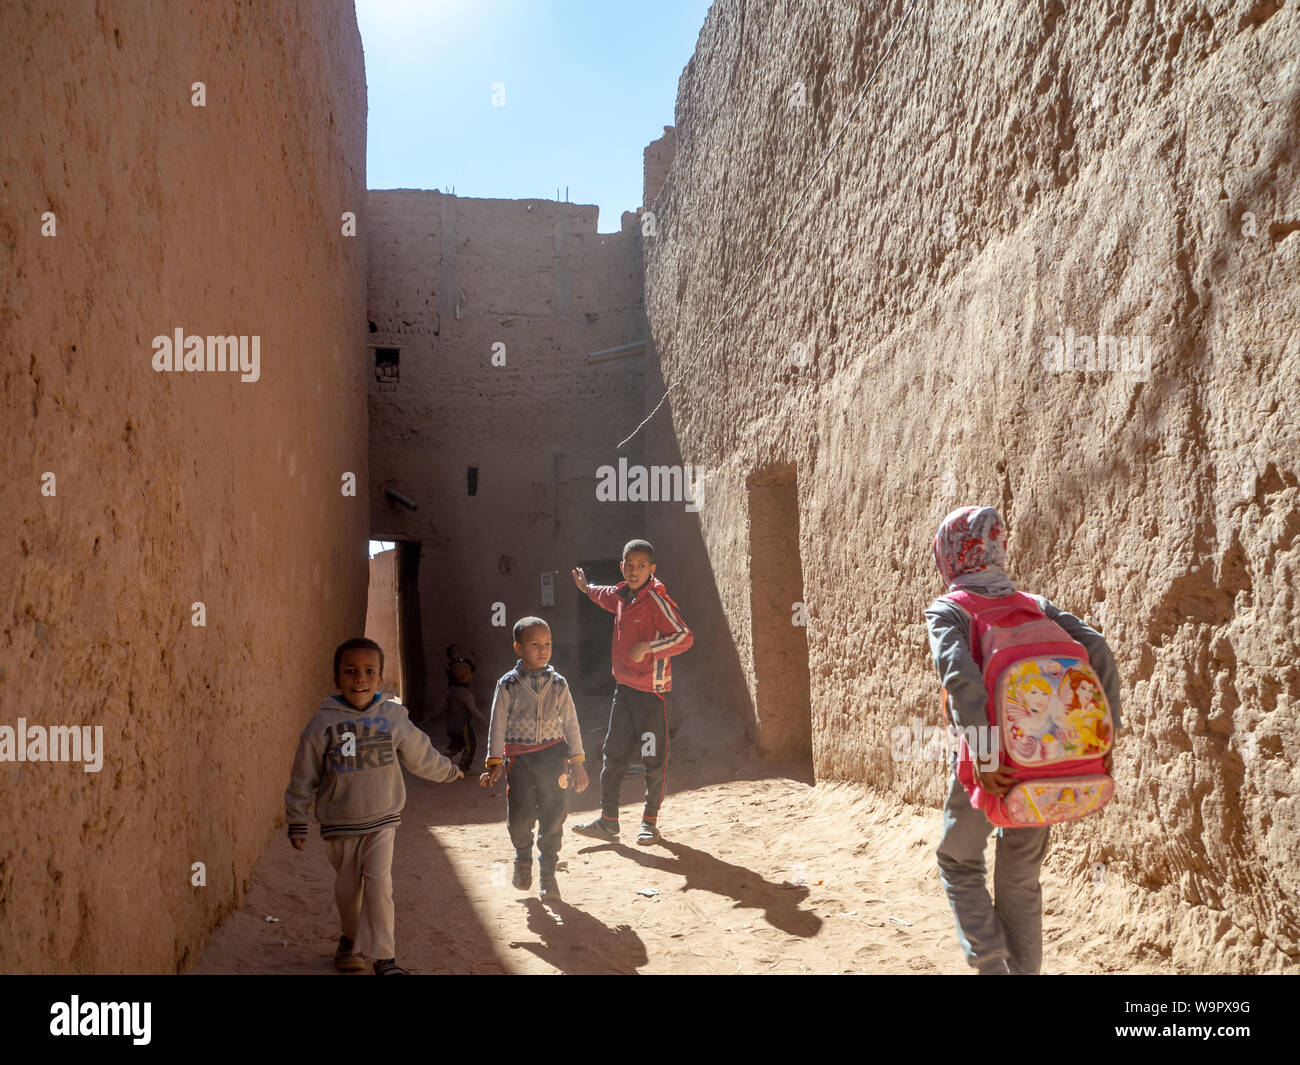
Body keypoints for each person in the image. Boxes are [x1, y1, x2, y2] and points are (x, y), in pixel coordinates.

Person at [924, 506, 1122, 974]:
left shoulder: (950, 610)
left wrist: (987, 756)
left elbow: (962, 681)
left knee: (957, 861)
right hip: (1046, 765)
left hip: (993, 767)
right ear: (997, 548)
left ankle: (992, 965)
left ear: (948, 555)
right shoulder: (1036, 605)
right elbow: (1099, 650)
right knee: (1021, 880)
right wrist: (1102, 739)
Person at [285, 637, 463, 975]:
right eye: (350, 671)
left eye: (369, 671)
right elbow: (303, 775)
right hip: (340, 823)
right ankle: (350, 941)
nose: (360, 678)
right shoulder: (322, 724)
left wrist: (448, 771)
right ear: (336, 678)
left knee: (380, 885)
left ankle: (385, 958)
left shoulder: (392, 717)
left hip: (382, 820)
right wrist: (296, 817)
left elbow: (420, 753)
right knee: (349, 891)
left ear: (380, 678)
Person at [569, 538, 693, 846]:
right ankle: (609, 821)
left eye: (641, 566)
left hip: (652, 695)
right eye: (629, 565)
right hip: (623, 692)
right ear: (621, 567)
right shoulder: (623, 594)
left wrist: (650, 647)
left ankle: (650, 823)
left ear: (652, 569)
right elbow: (604, 596)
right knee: (614, 755)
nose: (634, 570)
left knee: (653, 759)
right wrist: (586, 588)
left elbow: (684, 637)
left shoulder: (657, 601)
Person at [480, 617, 588, 901]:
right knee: (520, 815)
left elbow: (571, 723)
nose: (543, 650)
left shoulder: (559, 684)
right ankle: (523, 857)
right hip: (520, 761)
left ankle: (548, 873)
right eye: (535, 645)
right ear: (518, 648)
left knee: (554, 814)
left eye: (548, 644)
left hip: (554, 757)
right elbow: (497, 724)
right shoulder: (507, 685)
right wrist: (494, 762)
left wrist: (577, 762)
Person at [444, 659, 488, 771]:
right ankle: (464, 765)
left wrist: (432, 717)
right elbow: (473, 711)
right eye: (469, 674)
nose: (471, 676)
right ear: (464, 678)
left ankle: (450, 751)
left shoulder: (451, 691)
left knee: (457, 741)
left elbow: (443, 707)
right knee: (470, 745)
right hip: (462, 725)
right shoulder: (466, 694)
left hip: (450, 724)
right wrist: (485, 720)